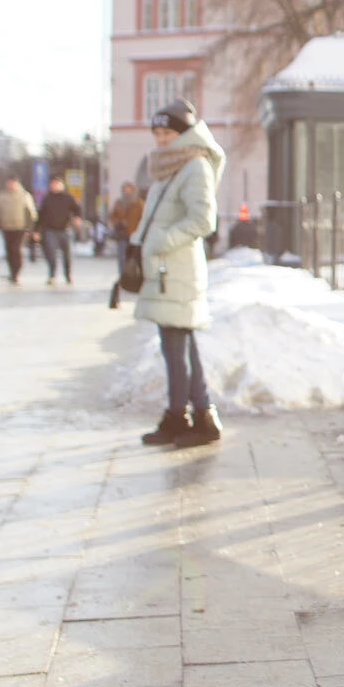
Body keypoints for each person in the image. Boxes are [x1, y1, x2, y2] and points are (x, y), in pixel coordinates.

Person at [133, 100, 226, 448]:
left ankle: (183, 416)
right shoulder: (173, 165)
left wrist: (161, 239)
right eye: (157, 133)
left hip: (177, 269)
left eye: (167, 133)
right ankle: (198, 416)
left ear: (184, 133)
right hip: (165, 269)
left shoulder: (194, 165)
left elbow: (203, 220)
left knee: (176, 348)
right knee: (179, 345)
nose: (161, 140)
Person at [37, 177, 83, 285]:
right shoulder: (47, 199)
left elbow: (77, 209)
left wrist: (77, 217)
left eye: (57, 184)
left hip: (65, 230)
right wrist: (36, 230)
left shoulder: (68, 198)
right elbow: (41, 215)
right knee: (51, 254)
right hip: (50, 230)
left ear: (62, 185)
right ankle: (52, 275)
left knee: (67, 255)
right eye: (53, 184)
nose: (55, 186)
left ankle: (68, 275)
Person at [0, 177, 36, 283]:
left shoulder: (24, 195)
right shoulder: (1, 196)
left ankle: (16, 272)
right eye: (9, 183)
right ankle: (12, 271)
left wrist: (30, 226)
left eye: (13, 183)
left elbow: (31, 212)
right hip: (6, 227)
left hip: (20, 227)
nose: (11, 185)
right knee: (9, 250)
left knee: (16, 249)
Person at [108, 182, 143, 265]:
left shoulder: (139, 204)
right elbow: (112, 216)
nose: (126, 192)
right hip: (122, 234)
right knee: (122, 257)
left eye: (128, 190)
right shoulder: (119, 203)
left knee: (133, 258)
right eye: (125, 190)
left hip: (134, 234)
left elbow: (143, 218)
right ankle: (123, 272)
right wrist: (119, 223)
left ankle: (132, 272)